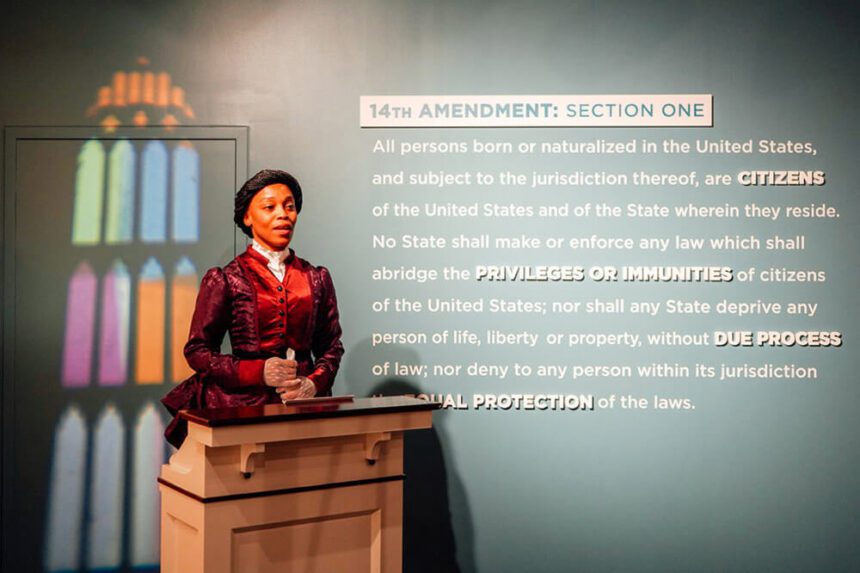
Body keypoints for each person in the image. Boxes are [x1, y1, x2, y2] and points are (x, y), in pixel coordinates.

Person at [162, 169, 344, 447]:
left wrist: (313, 384)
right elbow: (198, 351)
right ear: (247, 217)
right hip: (243, 411)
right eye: (270, 207)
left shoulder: (316, 277)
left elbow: (331, 347)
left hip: (305, 413)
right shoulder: (226, 278)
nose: (283, 214)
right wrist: (259, 371)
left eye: (290, 206)